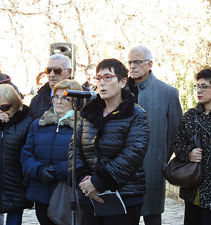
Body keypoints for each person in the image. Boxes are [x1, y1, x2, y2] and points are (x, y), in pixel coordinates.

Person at [70, 58, 149, 225]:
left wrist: (98, 181)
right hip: (89, 196)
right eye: (98, 78)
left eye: (107, 77)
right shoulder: (89, 113)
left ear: (122, 82)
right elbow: (74, 149)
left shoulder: (136, 114)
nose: (101, 83)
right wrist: (84, 181)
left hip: (124, 196)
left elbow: (133, 153)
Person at [127, 45, 182, 225]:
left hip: (153, 165)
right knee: (125, 215)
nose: (132, 66)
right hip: (122, 168)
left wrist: (161, 159)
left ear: (150, 64)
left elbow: (175, 132)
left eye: (137, 62)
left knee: (152, 216)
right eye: (129, 62)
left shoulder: (168, 92)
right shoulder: (121, 91)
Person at [170, 68, 211, 225]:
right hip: (192, 187)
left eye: (204, 87)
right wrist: (188, 153)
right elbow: (177, 143)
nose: (199, 90)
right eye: (197, 86)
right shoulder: (190, 116)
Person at [21, 79, 83, 225]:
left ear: (75, 102)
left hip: (65, 192)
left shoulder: (82, 126)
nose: (59, 101)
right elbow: (26, 154)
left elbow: (81, 157)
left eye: (65, 98)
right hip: (40, 190)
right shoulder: (38, 124)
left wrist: (57, 171)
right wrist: (38, 170)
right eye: (56, 97)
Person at [0, 84, 33, 225]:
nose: (1, 111)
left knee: (14, 219)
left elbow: (29, 152)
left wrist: (25, 180)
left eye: (4, 107)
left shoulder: (26, 121)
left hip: (16, 181)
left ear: (15, 104)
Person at [29, 53, 89, 120]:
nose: (51, 74)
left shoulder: (85, 96)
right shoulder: (36, 100)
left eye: (57, 70)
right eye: (48, 70)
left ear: (69, 72)